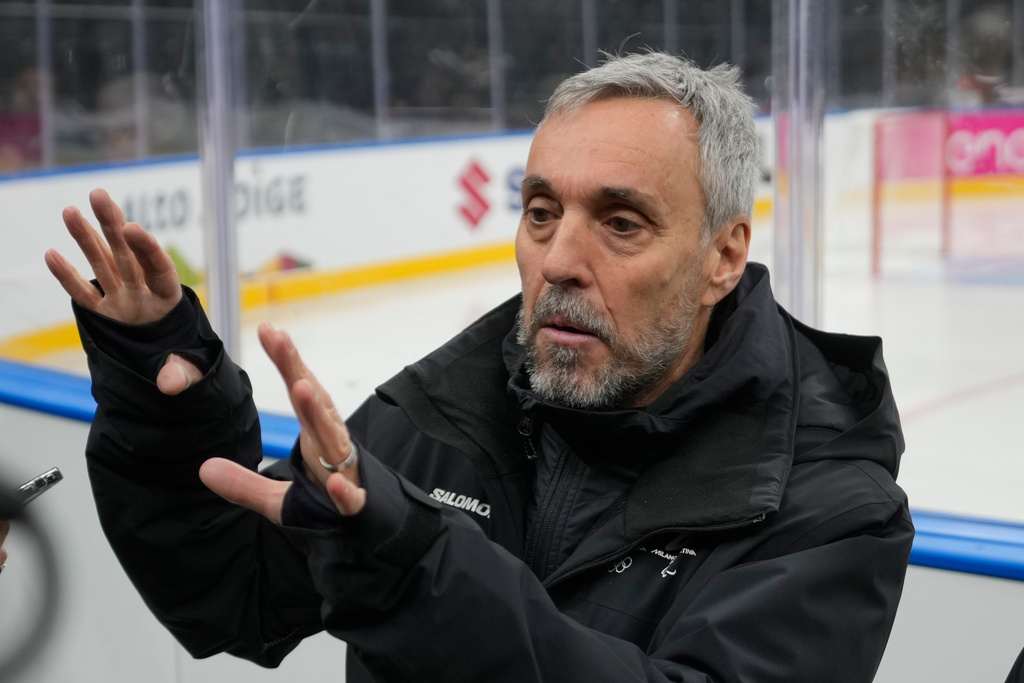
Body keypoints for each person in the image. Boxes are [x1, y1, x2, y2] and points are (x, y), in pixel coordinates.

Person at [45, 52, 913, 682]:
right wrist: (164, 386)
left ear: (723, 257)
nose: (560, 260)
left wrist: (418, 569)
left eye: (621, 223)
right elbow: (233, 592)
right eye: (541, 212)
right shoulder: (445, 407)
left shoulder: (829, 503)